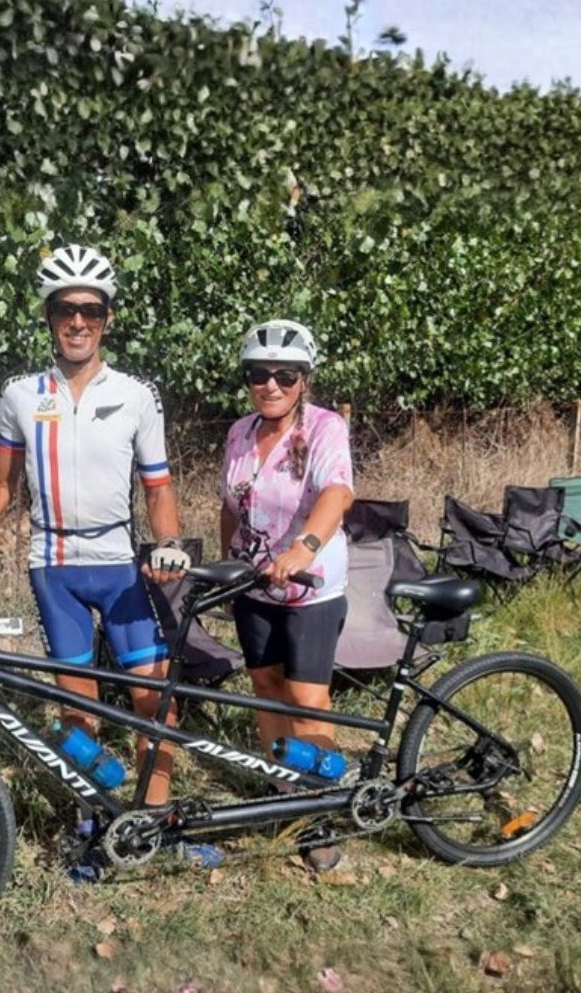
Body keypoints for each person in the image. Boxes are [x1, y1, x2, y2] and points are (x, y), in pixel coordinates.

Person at [0, 244, 195, 814]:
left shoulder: (137, 395)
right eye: (66, 310)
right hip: (54, 567)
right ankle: (95, 819)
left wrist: (169, 543)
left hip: (119, 566)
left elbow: (158, 486)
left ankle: (154, 819)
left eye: (90, 309)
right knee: (76, 710)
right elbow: (1, 481)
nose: (78, 321)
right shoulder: (20, 394)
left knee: (154, 701)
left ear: (108, 318)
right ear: (49, 317)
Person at [219, 319, 355, 871]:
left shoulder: (324, 428)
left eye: (285, 375)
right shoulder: (238, 433)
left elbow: (338, 491)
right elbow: (230, 503)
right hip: (254, 586)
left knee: (306, 698)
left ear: (304, 379)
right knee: (263, 686)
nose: (270, 385)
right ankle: (283, 787)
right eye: (259, 374)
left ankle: (319, 810)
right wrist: (228, 564)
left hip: (309, 588)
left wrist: (302, 547)